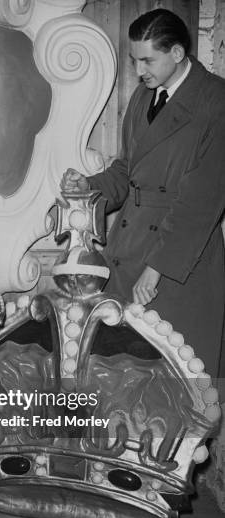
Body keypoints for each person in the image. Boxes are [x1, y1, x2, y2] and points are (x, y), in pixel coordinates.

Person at [61, 8, 225, 377]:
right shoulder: (142, 98)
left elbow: (200, 203)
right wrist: (89, 186)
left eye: (147, 59)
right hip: (128, 253)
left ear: (178, 53)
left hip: (179, 264)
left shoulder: (216, 101)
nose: (139, 70)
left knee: (178, 383)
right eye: (135, 60)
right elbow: (127, 172)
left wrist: (156, 269)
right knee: (123, 379)